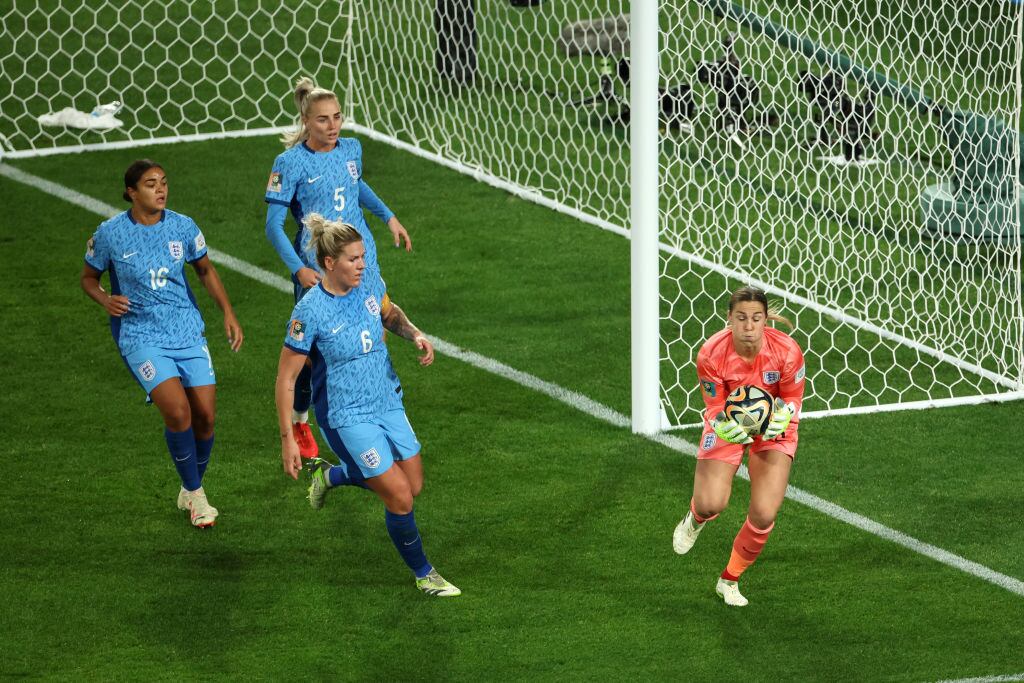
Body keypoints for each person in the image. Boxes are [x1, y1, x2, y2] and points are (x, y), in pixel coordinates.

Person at [275, 213, 459, 598]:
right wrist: (288, 438)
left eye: (362, 257)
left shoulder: (370, 282)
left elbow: (389, 314)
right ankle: (424, 574)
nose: (362, 264)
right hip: (346, 416)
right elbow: (287, 378)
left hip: (386, 399)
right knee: (399, 496)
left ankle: (331, 476)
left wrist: (415, 334)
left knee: (414, 483)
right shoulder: (310, 311)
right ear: (329, 263)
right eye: (353, 259)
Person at [81, 160, 244, 528]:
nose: (161, 189)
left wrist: (228, 313)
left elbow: (205, 270)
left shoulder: (183, 227)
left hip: (186, 330)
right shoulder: (110, 233)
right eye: (151, 184)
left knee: (206, 418)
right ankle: (197, 496)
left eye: (164, 182)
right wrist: (105, 299)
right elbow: (88, 278)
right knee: (178, 412)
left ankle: (190, 486)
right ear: (131, 192)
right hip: (140, 335)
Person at [264, 76, 412, 462]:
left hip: (362, 256)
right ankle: (301, 418)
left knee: (373, 328)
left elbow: (356, 185)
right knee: (313, 350)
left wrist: (388, 217)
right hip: (319, 266)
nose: (333, 126)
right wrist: (299, 270)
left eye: (337, 117)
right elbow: (273, 226)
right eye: (323, 119)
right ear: (306, 121)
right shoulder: (289, 163)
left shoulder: (351, 148)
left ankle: (377, 406)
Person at [671, 286, 805, 606]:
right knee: (710, 503)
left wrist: (784, 415)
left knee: (764, 514)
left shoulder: (787, 351)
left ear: (765, 320)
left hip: (774, 425)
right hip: (727, 422)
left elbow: (792, 398)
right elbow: (714, 406)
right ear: (729, 318)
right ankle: (695, 520)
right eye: (741, 318)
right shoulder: (711, 354)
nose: (749, 326)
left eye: (756, 318)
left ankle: (729, 580)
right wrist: (723, 426)